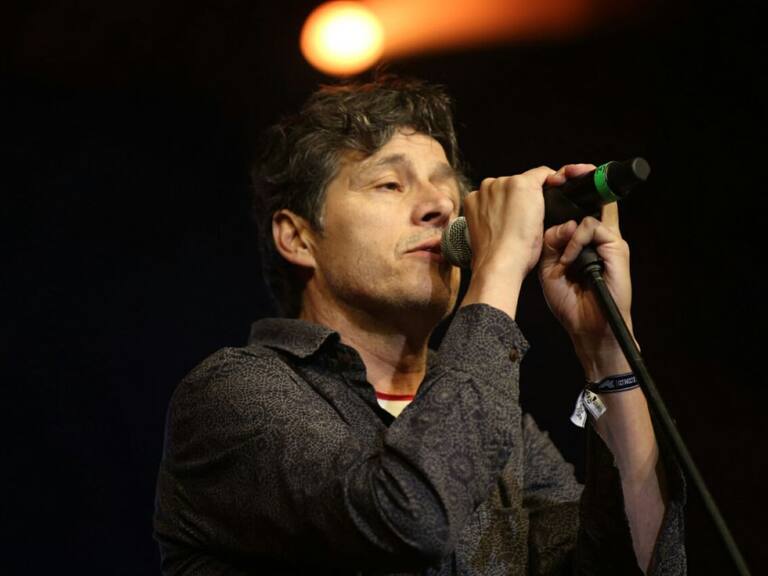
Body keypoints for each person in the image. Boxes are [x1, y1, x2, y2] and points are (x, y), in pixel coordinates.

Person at [153, 75, 686, 575]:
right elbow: (410, 514)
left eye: (447, 188)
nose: (441, 205)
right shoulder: (231, 395)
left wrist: (608, 355)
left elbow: (635, 565)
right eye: (390, 184)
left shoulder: (497, 425)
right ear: (297, 237)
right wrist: (498, 270)